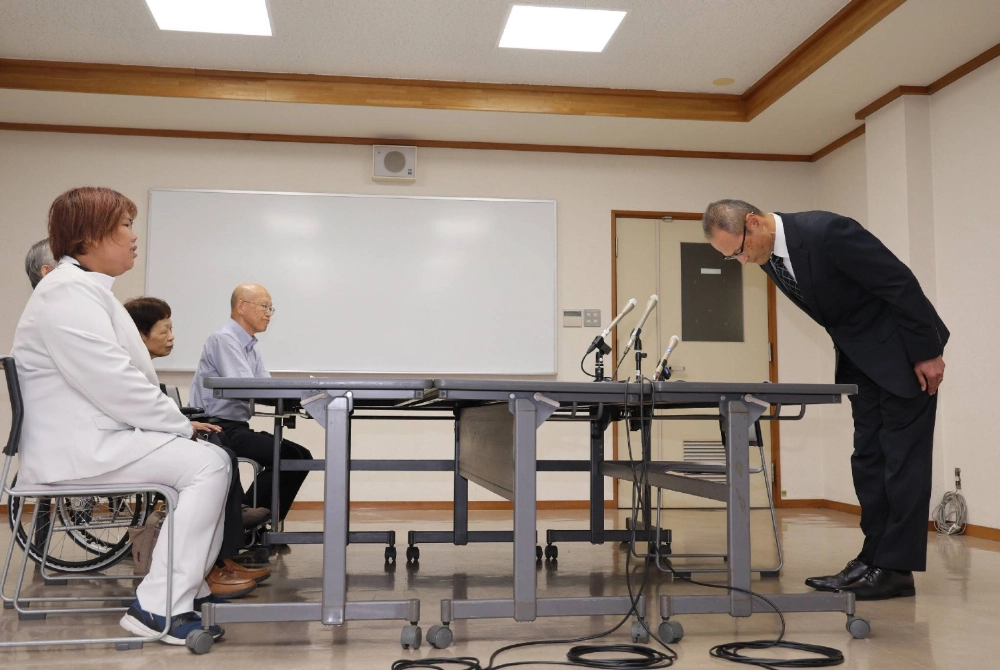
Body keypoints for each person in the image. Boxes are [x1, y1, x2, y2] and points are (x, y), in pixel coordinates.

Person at [12, 187, 229, 645]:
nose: (134, 237)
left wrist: (174, 426)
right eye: (125, 226)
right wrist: (178, 424)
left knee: (204, 463)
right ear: (88, 237)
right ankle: (158, 607)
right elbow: (114, 382)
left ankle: (179, 595)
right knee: (209, 464)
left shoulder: (83, 290)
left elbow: (120, 381)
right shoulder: (67, 294)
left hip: (91, 440)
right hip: (78, 450)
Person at [703, 200, 948, 601]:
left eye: (739, 250)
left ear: (753, 222)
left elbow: (898, 282)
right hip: (862, 362)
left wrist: (927, 351)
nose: (743, 260)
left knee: (902, 462)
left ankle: (896, 569)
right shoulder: (770, 256)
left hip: (904, 355)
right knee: (869, 459)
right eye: (733, 257)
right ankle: (872, 558)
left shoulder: (826, 232)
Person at [123, 296, 270, 595]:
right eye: (164, 329)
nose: (172, 336)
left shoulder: (137, 363)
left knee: (220, 447)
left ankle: (223, 556)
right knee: (217, 455)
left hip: (150, 436)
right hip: (134, 445)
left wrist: (182, 423)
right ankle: (212, 564)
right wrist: (183, 425)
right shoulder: (128, 364)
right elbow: (139, 410)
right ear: (140, 334)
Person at [190, 284, 313, 523]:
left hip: (235, 427)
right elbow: (246, 387)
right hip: (217, 428)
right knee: (289, 456)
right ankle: (244, 521)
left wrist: (305, 391)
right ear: (241, 307)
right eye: (264, 306)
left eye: (271, 308)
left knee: (300, 455)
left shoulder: (250, 348)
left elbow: (266, 387)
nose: (269, 313)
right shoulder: (223, 340)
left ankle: (258, 522)